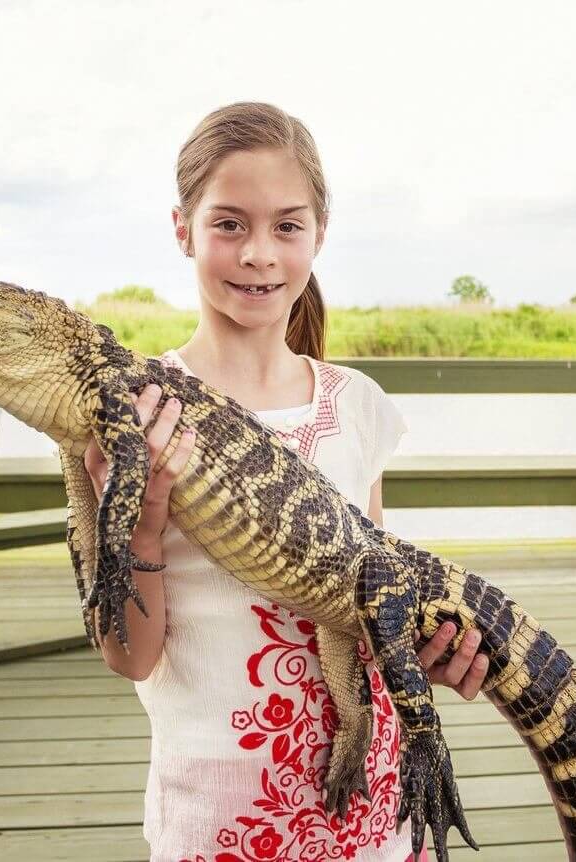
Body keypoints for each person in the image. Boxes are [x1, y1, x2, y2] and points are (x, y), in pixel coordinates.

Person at [83, 102, 489, 862]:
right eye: (229, 224)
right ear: (182, 230)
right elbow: (128, 657)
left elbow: (371, 593)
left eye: (287, 226)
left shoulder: (357, 406)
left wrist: (431, 647)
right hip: (217, 822)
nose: (259, 254)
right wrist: (139, 523)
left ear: (318, 236)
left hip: (370, 811)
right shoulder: (134, 409)